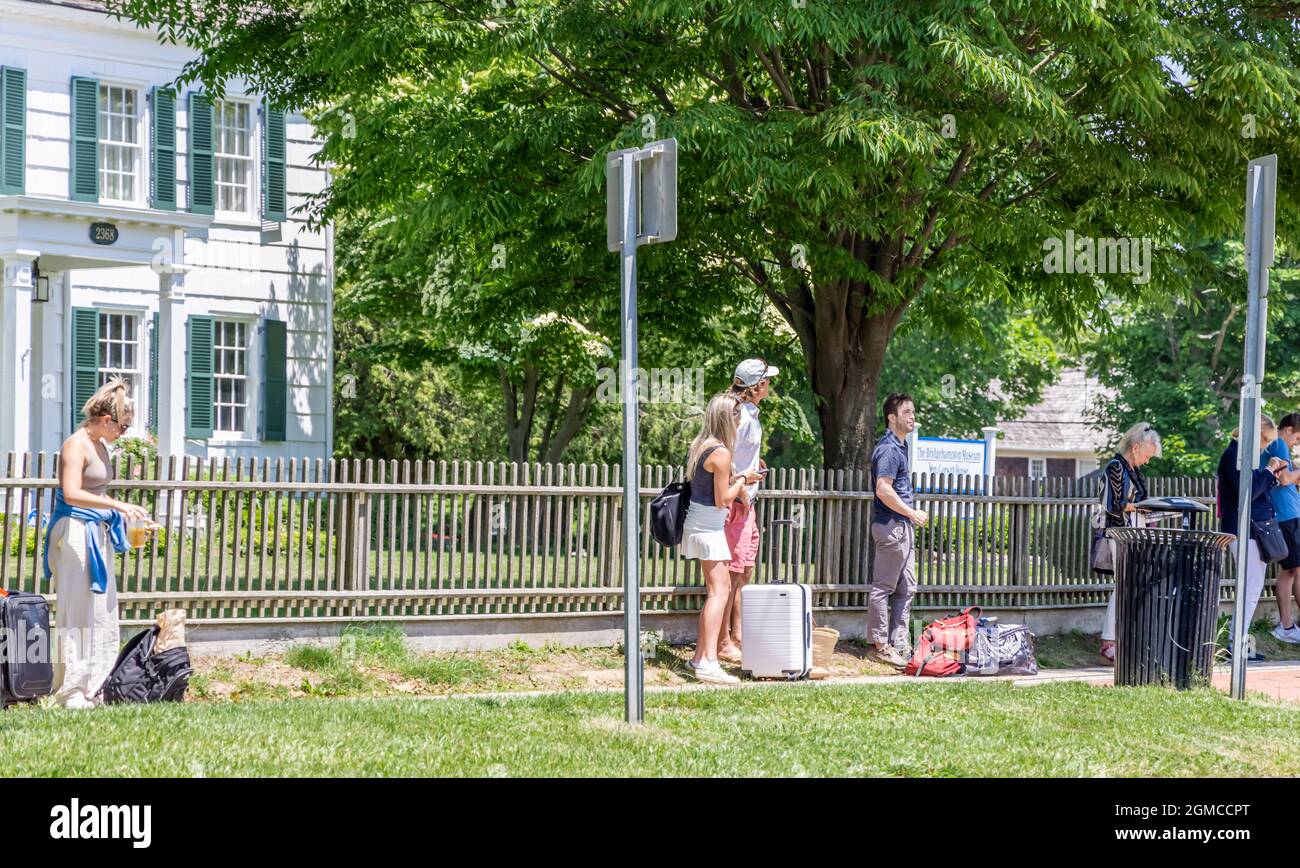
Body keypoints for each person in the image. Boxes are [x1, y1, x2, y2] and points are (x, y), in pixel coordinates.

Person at [46, 377, 152, 708]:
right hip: (74, 531)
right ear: (106, 420)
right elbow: (72, 492)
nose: (124, 433)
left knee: (102, 610)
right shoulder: (75, 445)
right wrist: (118, 505)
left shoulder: (101, 446)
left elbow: (97, 495)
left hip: (96, 531)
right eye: (122, 426)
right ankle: (70, 690)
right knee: (77, 609)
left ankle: (95, 684)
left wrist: (128, 520)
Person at [679, 392, 764, 684]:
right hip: (708, 526)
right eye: (738, 416)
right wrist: (742, 481)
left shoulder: (704, 445)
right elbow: (722, 500)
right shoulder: (722, 453)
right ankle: (708, 661)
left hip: (701, 524)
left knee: (719, 591)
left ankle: (700, 658)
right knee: (719, 593)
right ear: (728, 418)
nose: (741, 421)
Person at [717, 358, 778, 664]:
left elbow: (742, 454)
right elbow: (724, 456)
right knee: (730, 574)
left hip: (747, 503)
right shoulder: (736, 416)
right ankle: (723, 640)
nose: (770, 386)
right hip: (737, 504)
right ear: (756, 387)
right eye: (767, 381)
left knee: (745, 572)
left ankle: (738, 634)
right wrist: (739, 489)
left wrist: (757, 463)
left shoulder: (750, 414)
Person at [866, 393, 928, 669]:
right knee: (883, 588)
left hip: (901, 527)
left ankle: (898, 644)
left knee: (906, 588)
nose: (912, 416)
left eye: (913, 412)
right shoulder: (889, 449)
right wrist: (911, 512)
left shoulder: (899, 447)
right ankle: (879, 646)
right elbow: (883, 489)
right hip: (892, 526)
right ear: (892, 418)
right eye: (906, 412)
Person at [1218, 417, 1287, 661]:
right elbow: (1245, 492)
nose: (1265, 446)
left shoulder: (1240, 456)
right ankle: (1236, 644)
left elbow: (1254, 490)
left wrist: (1268, 475)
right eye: (1265, 440)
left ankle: (1238, 642)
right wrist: (1268, 472)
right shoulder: (1234, 456)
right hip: (1244, 529)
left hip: (1250, 528)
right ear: (1254, 434)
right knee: (1250, 588)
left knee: (1251, 587)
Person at [1096, 423, 1162, 665]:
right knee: (1124, 583)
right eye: (1146, 455)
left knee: (1131, 584)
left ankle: (1121, 638)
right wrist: (1142, 507)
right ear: (1135, 448)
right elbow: (1112, 504)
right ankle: (1109, 641)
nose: (1146, 461)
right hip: (1121, 533)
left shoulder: (1133, 471)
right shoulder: (1115, 468)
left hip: (1134, 533)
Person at [1266, 412, 1300, 643]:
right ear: (1288, 429)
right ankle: (1286, 626)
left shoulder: (1276, 445)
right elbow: (1285, 479)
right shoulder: (1279, 444)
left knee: (1289, 571)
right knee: (1296, 570)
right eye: (1297, 437)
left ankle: (1287, 625)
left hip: (1287, 514)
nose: (1296, 442)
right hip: (1287, 515)